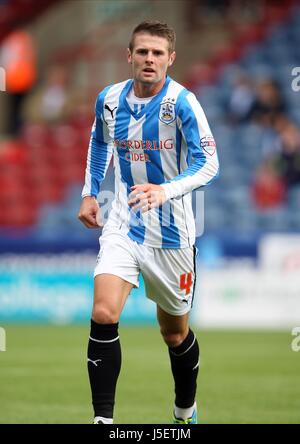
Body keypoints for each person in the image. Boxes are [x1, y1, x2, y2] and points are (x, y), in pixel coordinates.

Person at [78, 20, 219, 425]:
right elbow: (99, 140)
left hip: (172, 232)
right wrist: (90, 192)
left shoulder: (184, 103)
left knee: (174, 333)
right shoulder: (109, 99)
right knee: (104, 312)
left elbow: (209, 162)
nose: (149, 59)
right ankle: (103, 421)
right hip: (123, 221)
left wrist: (165, 190)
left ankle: (184, 411)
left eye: (158, 53)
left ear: (171, 59)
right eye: (142, 52)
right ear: (129, 55)